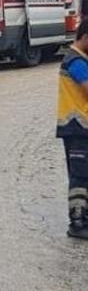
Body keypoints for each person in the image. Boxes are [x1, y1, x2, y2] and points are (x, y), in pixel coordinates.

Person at [56, 20, 88, 239]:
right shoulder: (75, 61)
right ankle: (77, 222)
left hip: (79, 127)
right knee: (79, 176)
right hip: (76, 127)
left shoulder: (80, 59)